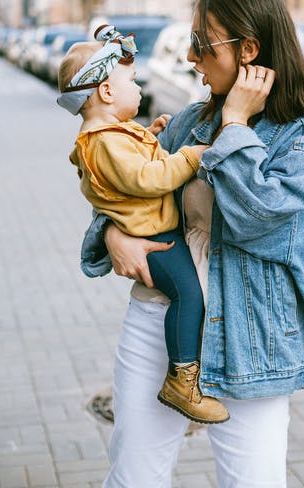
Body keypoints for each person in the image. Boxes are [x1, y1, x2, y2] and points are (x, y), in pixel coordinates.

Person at [82, 0, 304, 488]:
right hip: (159, 318)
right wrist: (113, 233)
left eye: (203, 42)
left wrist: (236, 123)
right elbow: (121, 188)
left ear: (249, 51)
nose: (190, 55)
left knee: (253, 486)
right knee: (133, 479)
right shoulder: (186, 123)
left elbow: (259, 219)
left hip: (252, 333)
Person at [57, 24, 229, 424]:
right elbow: (146, 179)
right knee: (189, 296)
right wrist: (189, 156)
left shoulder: (110, 134)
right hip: (154, 239)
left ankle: (184, 375)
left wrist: (150, 136)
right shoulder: (103, 141)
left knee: (190, 294)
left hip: (154, 233)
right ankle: (182, 379)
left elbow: (130, 166)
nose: (139, 88)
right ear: (106, 92)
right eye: (132, 81)